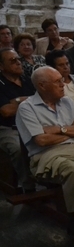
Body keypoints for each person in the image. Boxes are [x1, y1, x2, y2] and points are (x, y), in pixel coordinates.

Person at [15, 67, 74, 237]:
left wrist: (58, 129)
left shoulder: (68, 102)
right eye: (57, 81)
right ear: (42, 86)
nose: (63, 84)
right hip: (46, 155)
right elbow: (41, 140)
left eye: (62, 80)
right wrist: (72, 130)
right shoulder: (27, 108)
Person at [0, 48, 36, 190]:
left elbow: (43, 99)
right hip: (8, 128)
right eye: (12, 61)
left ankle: (51, 181)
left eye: (18, 59)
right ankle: (28, 187)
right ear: (1, 66)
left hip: (31, 123)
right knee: (19, 148)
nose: (18, 63)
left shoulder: (27, 79)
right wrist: (31, 101)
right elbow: (6, 111)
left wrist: (17, 101)